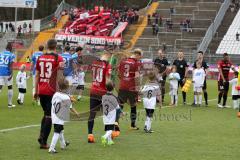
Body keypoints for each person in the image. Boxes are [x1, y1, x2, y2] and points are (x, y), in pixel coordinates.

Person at [34, 39, 64, 149]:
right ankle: (43, 140)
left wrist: (36, 90)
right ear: (55, 46)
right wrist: (61, 91)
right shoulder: (58, 58)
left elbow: (37, 75)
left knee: (46, 113)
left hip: (41, 89)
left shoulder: (40, 57)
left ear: (47, 46)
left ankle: (41, 136)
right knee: (50, 115)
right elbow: (60, 76)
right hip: (52, 90)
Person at [48, 78, 79, 153]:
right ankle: (51, 148)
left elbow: (53, 103)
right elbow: (70, 107)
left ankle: (63, 144)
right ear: (67, 87)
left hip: (54, 115)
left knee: (61, 130)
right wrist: (77, 113)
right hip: (60, 117)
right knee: (57, 132)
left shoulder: (55, 94)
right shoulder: (66, 97)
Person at [87, 53, 111, 143]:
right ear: (108, 56)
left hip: (93, 90)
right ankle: (108, 136)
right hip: (103, 92)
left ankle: (90, 134)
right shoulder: (107, 65)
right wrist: (110, 91)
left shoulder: (94, 63)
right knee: (107, 115)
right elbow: (107, 79)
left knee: (92, 114)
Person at [118, 49, 142, 130]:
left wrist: (124, 79)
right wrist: (138, 89)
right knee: (133, 105)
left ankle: (115, 124)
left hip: (122, 86)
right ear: (138, 55)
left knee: (120, 105)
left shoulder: (123, 61)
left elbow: (119, 74)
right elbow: (137, 77)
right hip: (131, 87)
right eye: (140, 56)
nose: (139, 58)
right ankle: (132, 125)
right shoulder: (137, 63)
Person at [101, 81, 122, 146]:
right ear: (113, 88)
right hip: (111, 114)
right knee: (111, 129)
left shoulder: (103, 96)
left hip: (105, 114)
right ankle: (104, 137)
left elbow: (102, 104)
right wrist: (121, 112)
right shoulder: (113, 97)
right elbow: (117, 107)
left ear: (106, 88)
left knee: (107, 127)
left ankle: (109, 141)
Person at [0, 43, 16, 108]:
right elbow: (11, 65)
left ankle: (10, 104)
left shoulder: (1, 53)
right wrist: (11, 74)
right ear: (11, 48)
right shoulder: (12, 55)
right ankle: (9, 104)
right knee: (10, 87)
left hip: (0, 72)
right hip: (7, 73)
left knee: (0, 87)